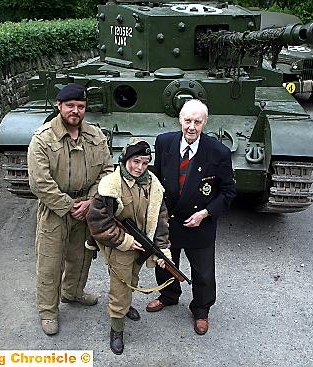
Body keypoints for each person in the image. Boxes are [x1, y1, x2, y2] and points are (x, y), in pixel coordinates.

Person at [27, 83, 114, 335]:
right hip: (55, 210)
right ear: (59, 106)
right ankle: (48, 311)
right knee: (50, 262)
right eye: (70, 106)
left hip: (87, 207)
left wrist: (90, 202)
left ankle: (73, 292)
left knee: (81, 255)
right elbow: (39, 183)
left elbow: (107, 172)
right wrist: (69, 205)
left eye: (81, 106)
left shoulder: (95, 136)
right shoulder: (42, 139)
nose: (75, 111)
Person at [145, 99, 236, 335]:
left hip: (200, 223)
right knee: (165, 263)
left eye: (197, 121)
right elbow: (156, 179)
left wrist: (205, 213)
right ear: (180, 120)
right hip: (169, 220)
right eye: (188, 121)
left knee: (203, 272)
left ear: (205, 122)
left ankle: (201, 310)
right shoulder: (164, 142)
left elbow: (228, 191)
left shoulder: (218, 152)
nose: (192, 127)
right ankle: (168, 295)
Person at [86, 138, 171, 355]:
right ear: (125, 160)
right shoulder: (110, 186)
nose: (139, 167)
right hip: (121, 246)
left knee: (133, 280)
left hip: (143, 245)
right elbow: (98, 223)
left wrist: (163, 250)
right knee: (120, 287)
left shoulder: (153, 185)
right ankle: (116, 329)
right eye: (135, 161)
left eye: (144, 162)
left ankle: (125, 307)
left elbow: (160, 220)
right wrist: (124, 240)